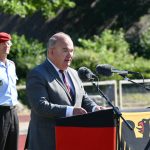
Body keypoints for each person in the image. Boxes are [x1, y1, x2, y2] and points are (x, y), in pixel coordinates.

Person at [26, 32, 105, 150]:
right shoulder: (37, 74)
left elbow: (83, 98)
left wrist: (94, 108)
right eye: (65, 50)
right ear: (51, 51)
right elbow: (40, 106)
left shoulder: (74, 73)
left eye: (72, 51)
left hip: (74, 139)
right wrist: (70, 111)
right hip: (47, 142)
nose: (70, 55)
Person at [0, 32, 19, 150]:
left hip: (13, 111)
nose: (6, 46)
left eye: (8, 43)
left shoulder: (12, 65)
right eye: (2, 43)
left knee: (13, 146)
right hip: (0, 112)